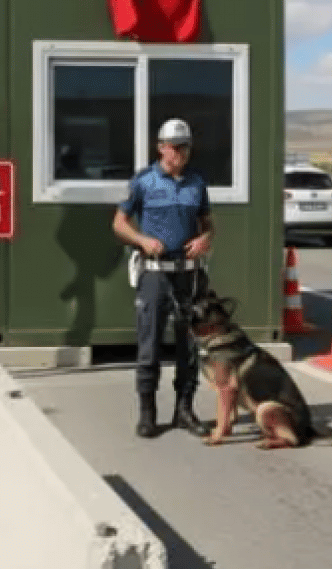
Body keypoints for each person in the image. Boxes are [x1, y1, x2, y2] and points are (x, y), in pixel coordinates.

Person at [112, 119, 214, 440]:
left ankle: (184, 410)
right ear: (160, 147)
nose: (179, 154)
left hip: (188, 275)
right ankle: (147, 412)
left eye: (184, 147)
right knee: (150, 345)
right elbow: (119, 223)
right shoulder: (144, 182)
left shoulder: (197, 183)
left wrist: (204, 240)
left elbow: (207, 224)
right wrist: (141, 240)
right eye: (173, 147)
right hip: (154, 274)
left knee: (189, 346)